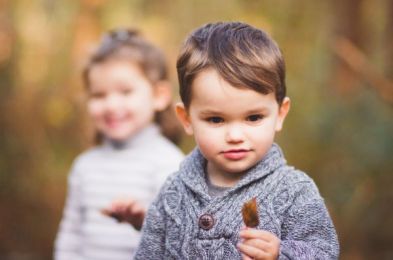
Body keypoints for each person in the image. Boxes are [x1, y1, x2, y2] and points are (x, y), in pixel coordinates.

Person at [134, 22, 339, 259]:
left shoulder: (294, 192)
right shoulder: (173, 192)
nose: (234, 136)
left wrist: (280, 254)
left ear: (280, 114)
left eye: (253, 118)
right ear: (187, 118)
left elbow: (324, 252)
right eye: (215, 120)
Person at [54, 29, 184, 260]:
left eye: (125, 92)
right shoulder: (84, 166)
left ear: (159, 95)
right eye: (99, 95)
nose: (112, 105)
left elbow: (182, 240)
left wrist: (146, 222)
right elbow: (70, 238)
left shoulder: (170, 164)